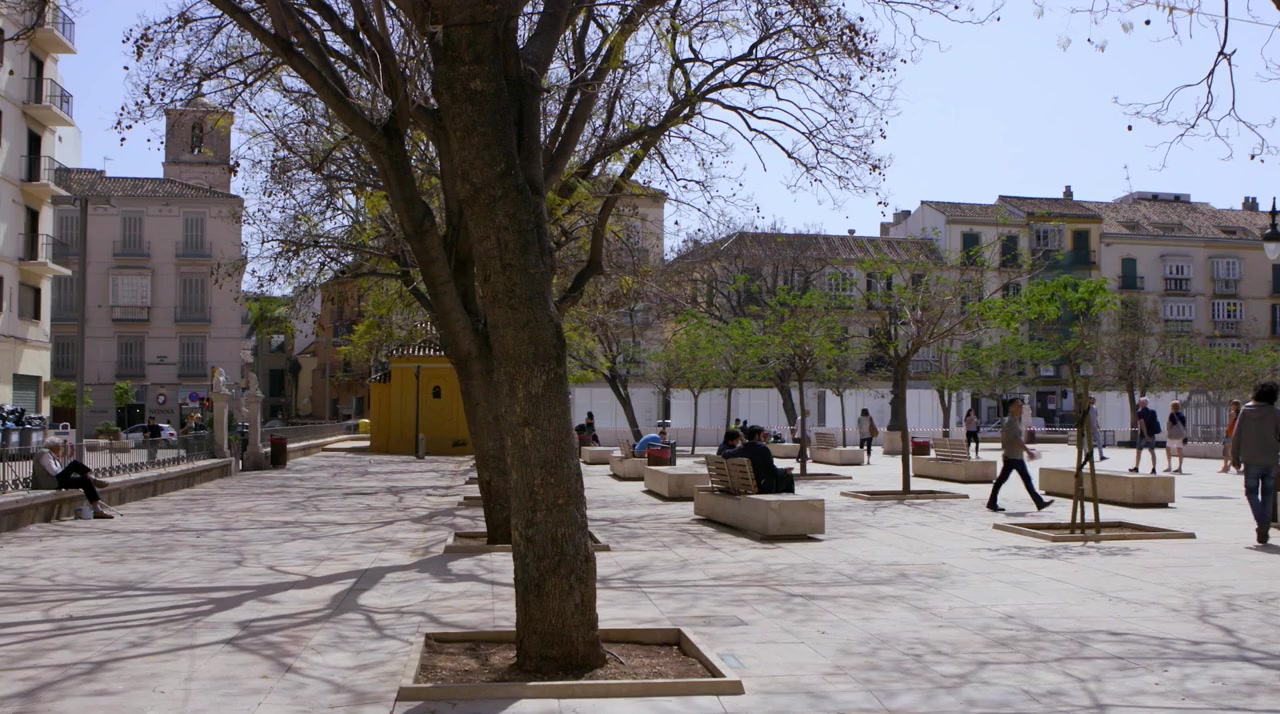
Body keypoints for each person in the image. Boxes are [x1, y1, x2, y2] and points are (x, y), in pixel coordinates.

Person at [1230, 381, 1280, 544]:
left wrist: (1235, 457)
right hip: (1271, 459)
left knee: (1251, 493)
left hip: (1250, 459)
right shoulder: (1275, 413)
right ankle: (1264, 527)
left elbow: (1237, 435)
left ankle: (1262, 524)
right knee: (1268, 494)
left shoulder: (1245, 411)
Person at [986, 398, 1054, 513]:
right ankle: (1039, 502)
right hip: (1012, 457)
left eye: (1021, 405)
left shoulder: (1015, 420)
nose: (1021, 408)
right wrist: (1028, 451)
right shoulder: (1011, 422)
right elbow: (1016, 439)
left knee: (1021, 480)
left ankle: (1039, 502)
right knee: (1006, 480)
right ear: (1011, 408)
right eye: (1018, 405)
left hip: (1015, 456)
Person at [31, 437, 113, 519]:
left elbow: (57, 472)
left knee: (85, 480)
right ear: (54, 446)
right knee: (75, 464)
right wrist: (67, 472)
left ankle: (97, 510)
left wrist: (68, 474)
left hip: (56, 481)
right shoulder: (45, 454)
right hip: (50, 483)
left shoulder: (52, 455)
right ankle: (93, 479)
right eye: (60, 446)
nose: (61, 448)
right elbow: (54, 472)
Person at [725, 425, 795, 494]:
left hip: (747, 485)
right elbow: (772, 470)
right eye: (762, 435)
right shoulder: (762, 448)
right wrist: (784, 471)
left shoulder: (742, 449)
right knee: (788, 476)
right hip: (763, 487)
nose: (763, 437)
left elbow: (724, 454)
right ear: (756, 436)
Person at [1129, 397, 1160, 475]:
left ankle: (1136, 467)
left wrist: (1146, 435)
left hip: (1143, 435)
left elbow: (1142, 424)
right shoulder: (1153, 412)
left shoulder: (1140, 413)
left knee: (1139, 451)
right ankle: (1154, 469)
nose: (1139, 403)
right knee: (1152, 451)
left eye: (1139, 402)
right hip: (1152, 434)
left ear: (1142, 403)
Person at [1164, 400, 1187, 474]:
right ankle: (1180, 467)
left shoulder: (1172, 414)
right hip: (1180, 435)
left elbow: (1169, 425)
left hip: (1172, 435)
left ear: (1172, 407)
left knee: (1168, 449)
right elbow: (1184, 426)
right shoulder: (1182, 415)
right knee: (1180, 450)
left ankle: (1169, 466)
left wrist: (1168, 430)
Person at [1220, 399, 1242, 474]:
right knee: (1233, 452)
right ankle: (1230, 467)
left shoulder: (1232, 413)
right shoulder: (1241, 413)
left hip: (1230, 433)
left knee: (1226, 451)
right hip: (1236, 434)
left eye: (1232, 404)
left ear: (1235, 405)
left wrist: (1226, 429)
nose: (1231, 406)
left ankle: (1225, 467)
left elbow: (1229, 424)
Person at [1087, 396, 1107, 461]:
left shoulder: (1095, 408)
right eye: (1092, 399)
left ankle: (1101, 456)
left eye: (1094, 399)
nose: (1094, 400)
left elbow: (1095, 418)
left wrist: (1098, 425)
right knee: (1088, 443)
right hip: (1088, 428)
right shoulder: (1087, 408)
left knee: (1099, 441)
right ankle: (1088, 457)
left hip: (1095, 428)